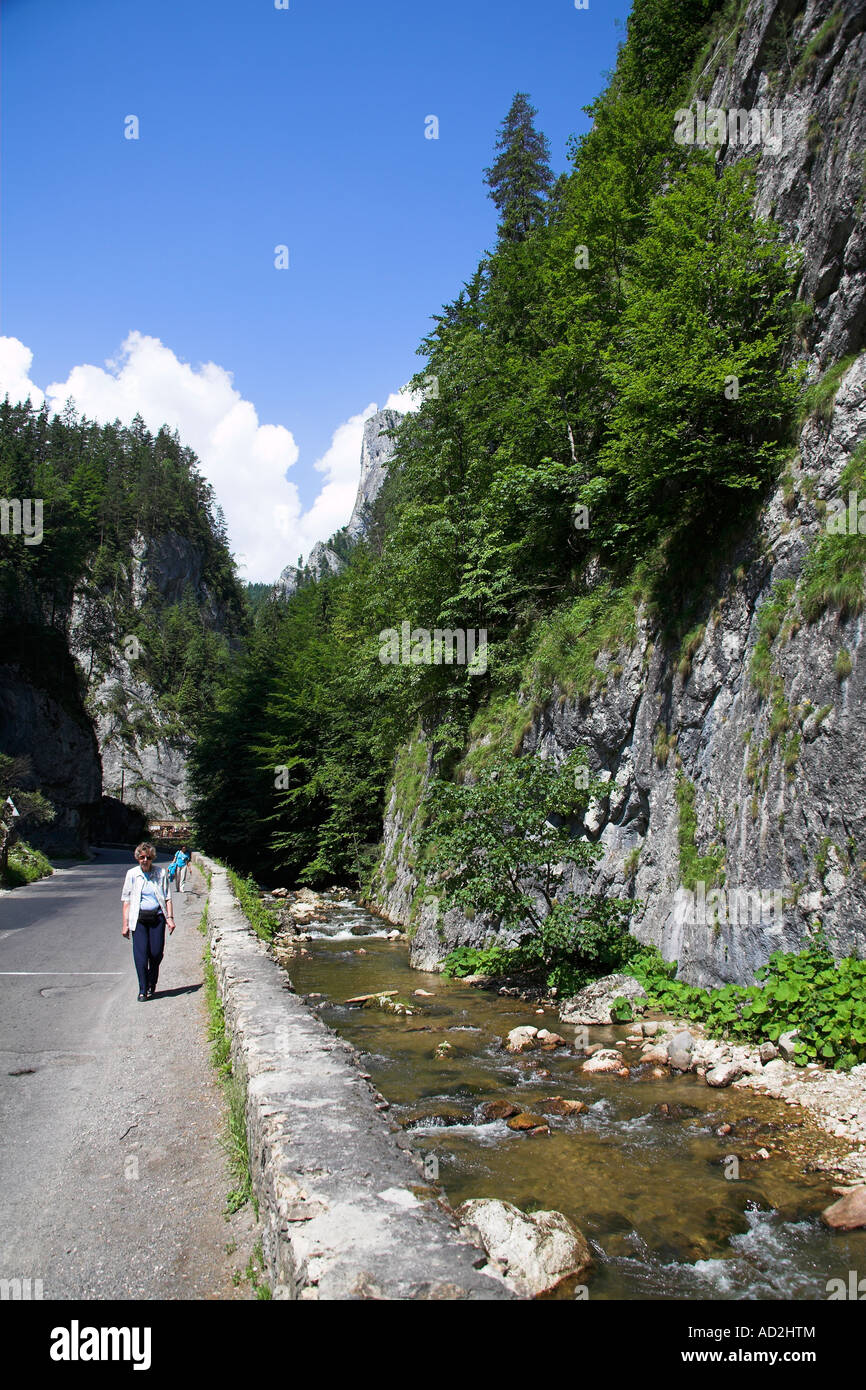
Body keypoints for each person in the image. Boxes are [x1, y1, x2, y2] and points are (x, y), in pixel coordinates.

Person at [121, 842, 176, 1001]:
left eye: (148, 857)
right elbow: (126, 901)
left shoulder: (160, 873)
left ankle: (152, 982)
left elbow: (167, 897)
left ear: (152, 858)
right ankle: (143, 989)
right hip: (138, 919)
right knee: (141, 955)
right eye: (142, 857)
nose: (145, 860)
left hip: (157, 918)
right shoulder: (132, 874)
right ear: (137, 858)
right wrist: (125, 925)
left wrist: (170, 919)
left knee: (156, 953)